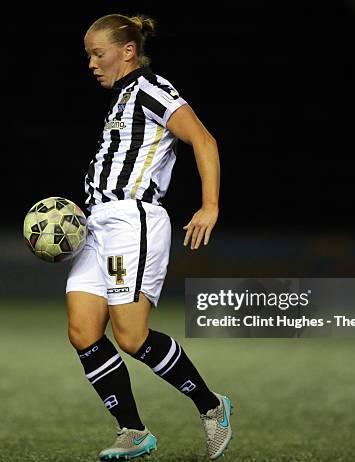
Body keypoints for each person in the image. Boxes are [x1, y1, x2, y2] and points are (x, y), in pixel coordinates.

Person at [66, 14, 232, 460]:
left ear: (128, 51)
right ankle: (133, 431)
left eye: (98, 54)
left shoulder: (151, 88)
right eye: (88, 56)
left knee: (132, 337)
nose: (92, 64)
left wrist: (210, 205)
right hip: (97, 224)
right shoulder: (120, 101)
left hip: (131, 223)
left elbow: (204, 140)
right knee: (82, 330)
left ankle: (212, 406)